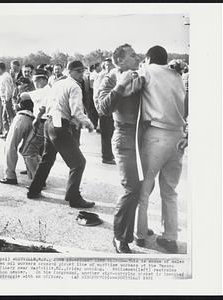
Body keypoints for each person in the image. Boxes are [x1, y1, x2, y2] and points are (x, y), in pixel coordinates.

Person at [134, 46, 188, 253]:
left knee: (144, 188)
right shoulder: (177, 74)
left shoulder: (146, 71)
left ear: (148, 59)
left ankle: (140, 234)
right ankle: (170, 237)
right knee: (170, 192)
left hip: (156, 134)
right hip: (177, 135)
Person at [96, 44, 146, 253]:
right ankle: (119, 237)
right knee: (130, 187)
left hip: (143, 135)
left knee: (141, 187)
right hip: (124, 136)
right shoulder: (110, 78)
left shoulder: (140, 76)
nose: (137, 57)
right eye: (132, 55)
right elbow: (103, 108)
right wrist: (121, 86)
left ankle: (133, 231)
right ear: (120, 61)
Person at [27, 60, 95, 209]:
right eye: (78, 71)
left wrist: (38, 119)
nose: (81, 75)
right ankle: (74, 198)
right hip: (59, 126)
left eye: (82, 72)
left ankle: (34, 190)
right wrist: (89, 124)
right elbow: (77, 111)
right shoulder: (74, 86)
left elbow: (44, 106)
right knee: (78, 163)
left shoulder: (57, 84)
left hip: (49, 123)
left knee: (47, 158)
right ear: (69, 71)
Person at [20, 69, 51, 180]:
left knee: (27, 151)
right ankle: (37, 178)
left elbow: (23, 96)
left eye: (36, 81)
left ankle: (37, 181)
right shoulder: (47, 90)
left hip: (42, 123)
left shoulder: (43, 91)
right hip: (46, 123)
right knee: (38, 152)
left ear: (43, 80)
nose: (34, 84)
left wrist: (23, 88)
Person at [0, 95, 35, 184]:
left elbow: (17, 107)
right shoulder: (33, 93)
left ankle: (10, 176)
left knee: (10, 146)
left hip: (21, 118)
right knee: (28, 149)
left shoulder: (24, 94)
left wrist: (15, 104)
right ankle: (35, 176)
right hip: (31, 119)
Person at [94, 58, 116, 164]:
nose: (108, 66)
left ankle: (109, 154)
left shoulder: (115, 75)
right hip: (104, 108)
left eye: (110, 64)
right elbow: (96, 94)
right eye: (106, 65)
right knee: (106, 134)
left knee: (111, 132)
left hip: (112, 108)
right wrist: (99, 109)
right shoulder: (101, 76)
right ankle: (106, 156)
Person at [0, 62, 15, 139]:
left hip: (7, 100)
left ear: (0, 69)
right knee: (5, 117)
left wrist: (6, 100)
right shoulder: (5, 76)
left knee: (8, 117)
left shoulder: (5, 77)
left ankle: (10, 134)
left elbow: (8, 89)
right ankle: (7, 132)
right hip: (6, 100)